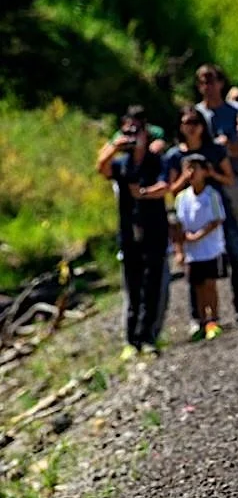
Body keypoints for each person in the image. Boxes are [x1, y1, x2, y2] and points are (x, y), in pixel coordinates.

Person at [162, 105, 238, 326]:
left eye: (195, 123)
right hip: (190, 213)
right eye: (186, 123)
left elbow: (230, 179)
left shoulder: (215, 150)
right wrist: (185, 176)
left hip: (217, 207)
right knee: (195, 268)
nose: (191, 128)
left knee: (236, 255)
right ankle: (198, 317)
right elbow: (171, 188)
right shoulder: (174, 155)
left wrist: (210, 173)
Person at [97, 106, 171, 359]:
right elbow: (102, 168)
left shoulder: (154, 160)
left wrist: (145, 193)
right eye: (127, 131)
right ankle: (132, 340)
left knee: (152, 285)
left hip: (154, 229)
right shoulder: (122, 163)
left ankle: (149, 336)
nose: (131, 136)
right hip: (129, 232)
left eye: (135, 132)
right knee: (133, 285)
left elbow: (165, 185)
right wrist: (115, 147)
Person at [175, 154, 228, 342]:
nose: (190, 173)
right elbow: (178, 224)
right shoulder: (181, 197)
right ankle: (201, 321)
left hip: (210, 248)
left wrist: (199, 235)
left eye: (194, 169)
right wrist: (180, 248)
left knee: (210, 284)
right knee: (196, 286)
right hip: (192, 252)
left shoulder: (211, 194)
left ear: (204, 171)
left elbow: (217, 219)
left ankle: (214, 318)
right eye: (187, 169)